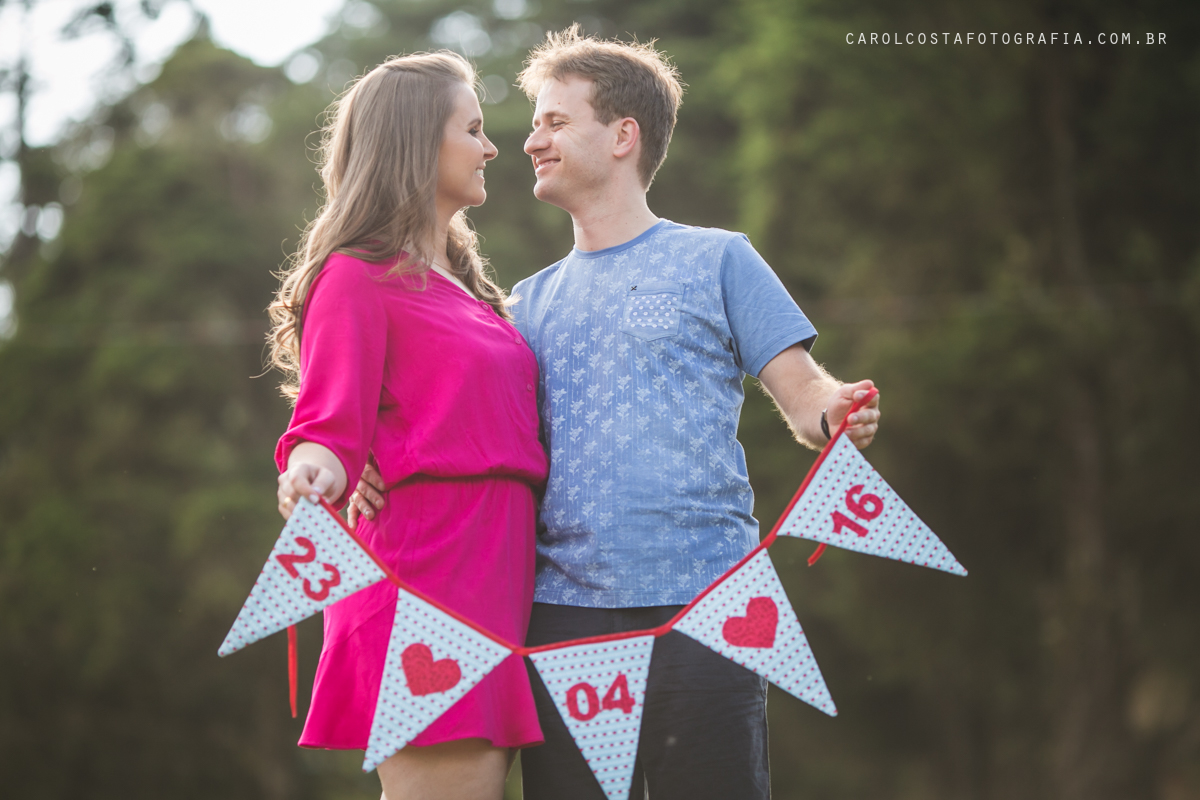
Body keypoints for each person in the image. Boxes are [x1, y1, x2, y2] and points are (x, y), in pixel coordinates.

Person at [351, 27, 882, 800]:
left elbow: (806, 402)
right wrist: (367, 444)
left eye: (555, 122)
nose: (529, 141)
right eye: (533, 123)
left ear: (624, 136)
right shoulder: (520, 307)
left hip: (709, 610)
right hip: (558, 624)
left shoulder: (719, 258)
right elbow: (442, 405)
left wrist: (839, 409)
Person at [269, 52, 547, 800]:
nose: (492, 148)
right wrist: (316, 471)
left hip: (497, 583)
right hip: (426, 583)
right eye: (475, 129)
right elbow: (328, 422)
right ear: (418, 142)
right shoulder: (356, 276)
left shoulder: (467, 287)